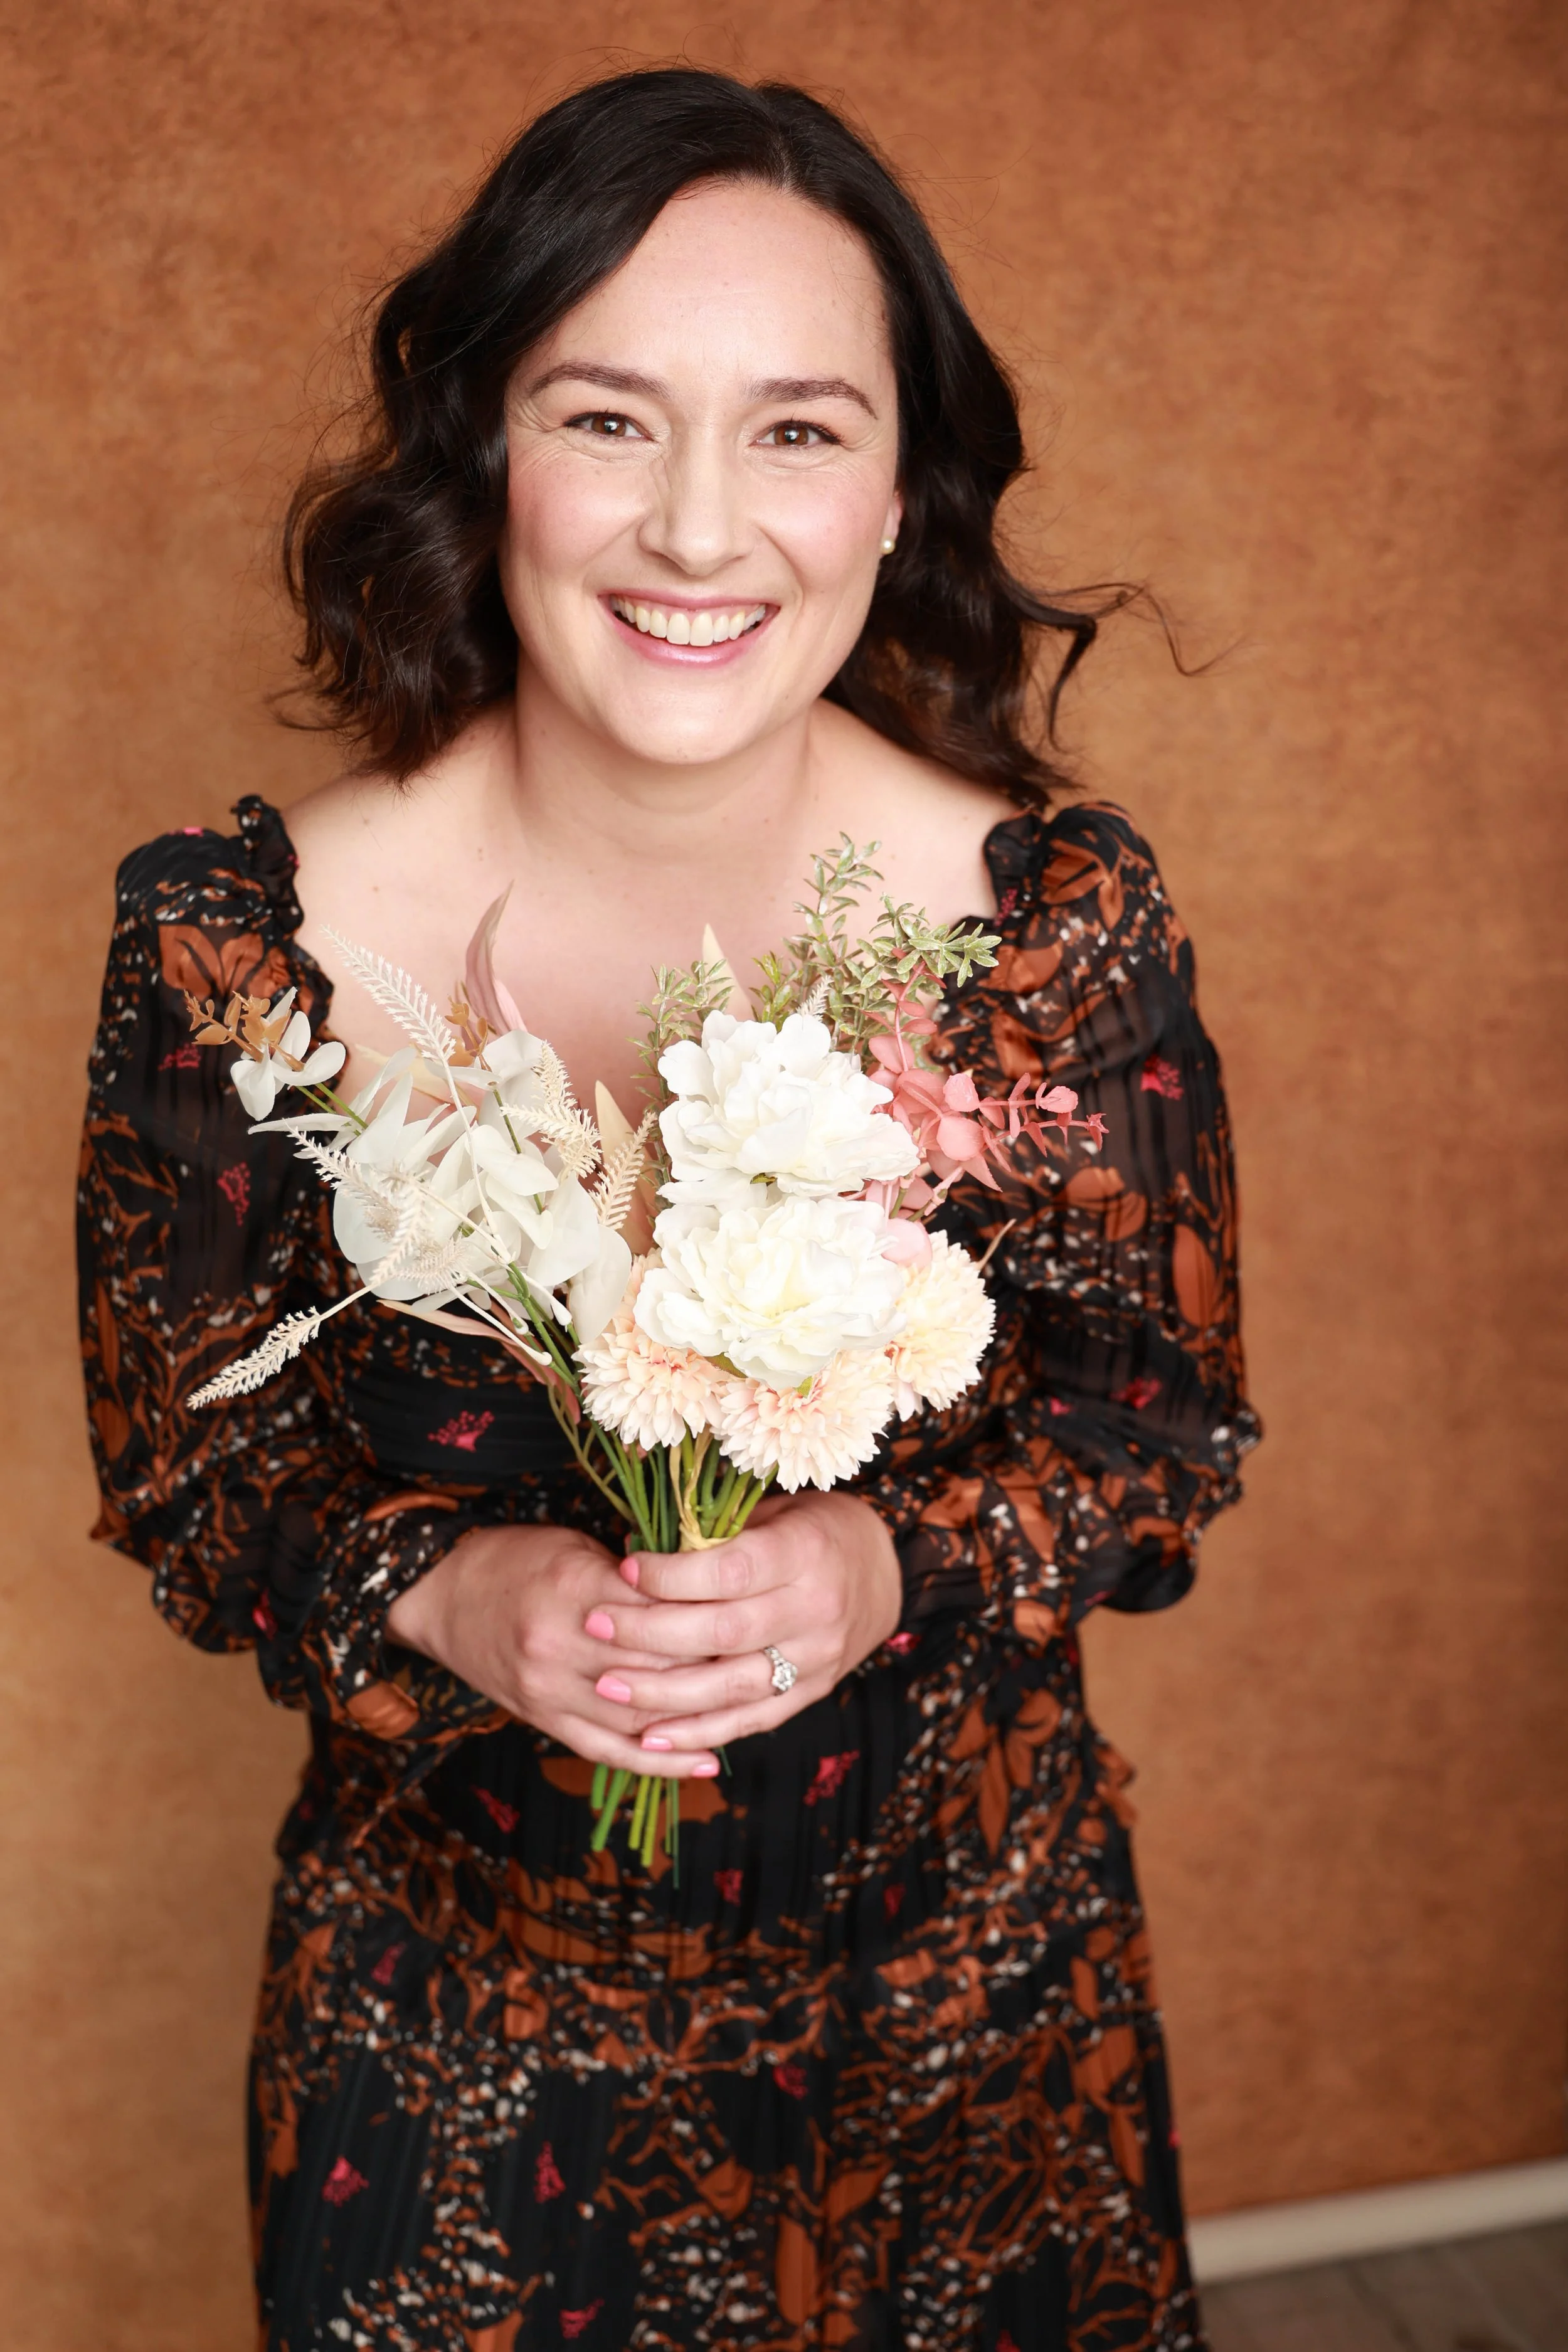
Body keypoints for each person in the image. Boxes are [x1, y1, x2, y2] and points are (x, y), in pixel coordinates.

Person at [78, 67, 1258, 2352]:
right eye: (606, 416)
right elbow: (194, 1475)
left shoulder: (1050, 939)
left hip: (965, 2009)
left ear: (898, 486)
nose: (698, 529)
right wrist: (448, 1593)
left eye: (797, 430)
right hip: (454, 2048)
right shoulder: (249, 954)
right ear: (478, 450)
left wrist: (878, 1553)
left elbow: (1161, 1434)